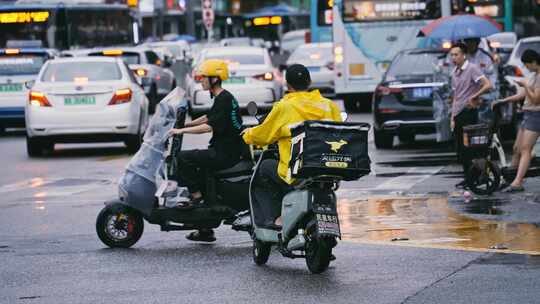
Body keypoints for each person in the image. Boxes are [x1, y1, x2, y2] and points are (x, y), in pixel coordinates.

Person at [242, 64, 341, 228]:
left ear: (287, 85)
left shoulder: (284, 107)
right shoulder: (329, 105)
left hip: (296, 170)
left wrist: (247, 134)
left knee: (265, 168)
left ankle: (276, 219)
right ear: (309, 82)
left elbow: (263, 134)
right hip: (328, 166)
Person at [168, 59, 243, 242]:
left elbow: (208, 126)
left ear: (215, 79)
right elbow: (208, 117)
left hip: (224, 154)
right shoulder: (224, 97)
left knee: (181, 158)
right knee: (198, 166)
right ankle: (205, 228)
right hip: (225, 150)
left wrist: (181, 130)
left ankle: (197, 197)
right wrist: (185, 123)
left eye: (204, 78)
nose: (201, 81)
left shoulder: (224, 99)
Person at [492, 49, 540, 192]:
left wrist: (525, 85)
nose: (526, 67)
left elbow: (536, 99)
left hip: (536, 115)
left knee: (526, 149)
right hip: (527, 114)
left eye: (526, 64)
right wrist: (503, 100)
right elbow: (523, 95)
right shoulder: (533, 75)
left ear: (533, 62)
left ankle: (518, 182)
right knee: (516, 149)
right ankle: (510, 179)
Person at [449, 43, 493, 188]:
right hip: (458, 114)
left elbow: (488, 85)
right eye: (452, 55)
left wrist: (474, 96)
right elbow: (456, 96)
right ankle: (468, 177)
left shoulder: (472, 68)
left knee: (469, 147)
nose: (453, 57)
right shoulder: (455, 72)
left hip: (468, 113)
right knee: (460, 149)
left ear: (464, 55)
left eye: (456, 54)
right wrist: (452, 117)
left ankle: (474, 178)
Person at [464, 38, 498, 124]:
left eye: (472, 42)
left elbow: (492, 78)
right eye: (467, 42)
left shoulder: (486, 57)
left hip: (484, 94)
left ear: (477, 43)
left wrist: (483, 91)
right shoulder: (461, 56)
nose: (470, 45)